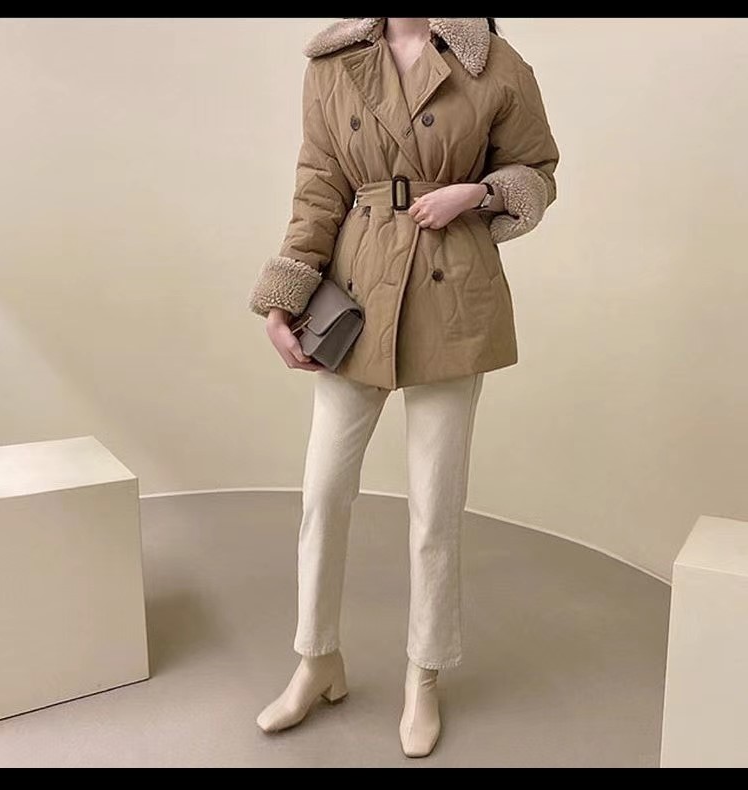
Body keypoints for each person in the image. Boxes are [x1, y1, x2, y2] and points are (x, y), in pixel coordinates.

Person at [247, 17, 559, 759]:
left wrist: (477, 194)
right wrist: (286, 294)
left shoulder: (495, 63)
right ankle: (316, 659)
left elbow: (538, 173)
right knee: (323, 493)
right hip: (358, 290)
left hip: (453, 294)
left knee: (433, 507)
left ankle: (424, 675)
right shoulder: (334, 64)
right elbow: (319, 186)